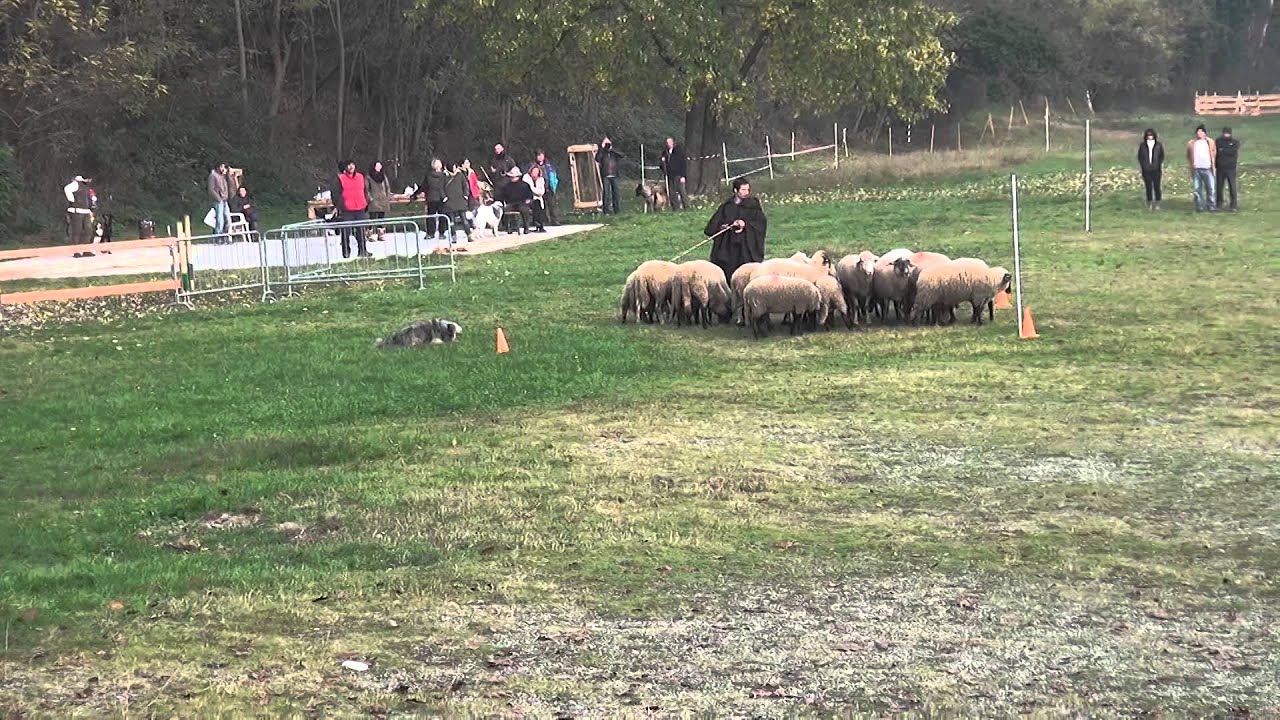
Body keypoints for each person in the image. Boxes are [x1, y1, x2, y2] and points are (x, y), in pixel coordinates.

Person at [704, 177, 766, 281]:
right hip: (729, 247)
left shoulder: (753, 205)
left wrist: (745, 224)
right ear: (735, 190)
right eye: (743, 190)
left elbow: (760, 223)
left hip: (745, 247)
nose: (746, 192)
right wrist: (723, 227)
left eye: (747, 190)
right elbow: (712, 226)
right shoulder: (726, 207)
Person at [330, 159, 371, 258]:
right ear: (345, 168)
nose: (351, 167)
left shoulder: (360, 177)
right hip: (347, 209)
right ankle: (346, 252)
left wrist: (365, 202)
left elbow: (365, 190)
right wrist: (340, 205)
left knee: (361, 231)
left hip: (360, 208)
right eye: (348, 165)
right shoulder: (341, 179)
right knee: (346, 232)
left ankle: (362, 251)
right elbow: (335, 193)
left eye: (352, 164)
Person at [1186, 124, 1217, 213]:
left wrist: (1212, 163)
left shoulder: (1210, 142)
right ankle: (1199, 206)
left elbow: (1214, 152)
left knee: (1211, 188)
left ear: (1205, 133)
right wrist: (1192, 164)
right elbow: (1188, 155)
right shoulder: (1192, 143)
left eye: (1201, 131)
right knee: (1197, 189)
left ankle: (1211, 206)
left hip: (1207, 168)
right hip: (1196, 169)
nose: (1199, 133)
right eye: (1198, 132)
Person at [496, 166, 534, 234]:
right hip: (511, 203)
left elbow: (530, 195)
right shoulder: (507, 186)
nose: (512, 178)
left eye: (514, 176)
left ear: (518, 176)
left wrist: (528, 200)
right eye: (511, 176)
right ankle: (509, 227)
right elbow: (502, 196)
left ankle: (526, 227)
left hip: (522, 203)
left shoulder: (525, 185)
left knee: (524, 210)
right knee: (504, 210)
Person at [63, 174, 96, 255]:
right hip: (76, 211)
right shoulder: (76, 184)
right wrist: (72, 199)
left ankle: (86, 250)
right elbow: (66, 189)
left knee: (89, 230)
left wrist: (91, 209)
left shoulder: (86, 186)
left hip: (86, 211)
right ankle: (76, 251)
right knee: (77, 231)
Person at [417, 158, 449, 239]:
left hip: (438, 197)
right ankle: (434, 233)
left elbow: (424, 186)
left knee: (438, 216)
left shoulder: (443, 175)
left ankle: (436, 233)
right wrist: (416, 193)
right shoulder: (437, 175)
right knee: (434, 216)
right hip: (435, 197)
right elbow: (424, 186)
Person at [443, 162, 471, 242]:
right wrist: (444, 197)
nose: (454, 169)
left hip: (460, 200)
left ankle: (468, 234)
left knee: (464, 219)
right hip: (450, 201)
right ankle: (453, 236)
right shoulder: (445, 176)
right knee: (452, 221)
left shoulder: (460, 175)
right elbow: (441, 187)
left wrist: (465, 195)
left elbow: (465, 185)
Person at [1137, 128, 1165, 211]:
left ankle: (1157, 203)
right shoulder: (1142, 145)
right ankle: (1149, 203)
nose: (1150, 137)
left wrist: (1157, 164)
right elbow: (1140, 157)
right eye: (1148, 135)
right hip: (1146, 170)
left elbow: (1161, 156)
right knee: (1148, 187)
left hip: (1156, 169)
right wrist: (1144, 165)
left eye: (1151, 135)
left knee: (1157, 186)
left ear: (1154, 135)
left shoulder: (1158, 145)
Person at [659, 137, 689, 211]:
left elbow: (683, 164)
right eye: (667, 143)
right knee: (672, 193)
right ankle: (675, 208)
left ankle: (687, 207)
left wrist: (683, 176)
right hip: (670, 175)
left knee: (682, 191)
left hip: (678, 174)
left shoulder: (679, 151)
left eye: (669, 142)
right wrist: (662, 162)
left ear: (673, 143)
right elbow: (662, 165)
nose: (668, 144)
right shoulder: (665, 153)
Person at [595, 137, 623, 214]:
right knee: (606, 193)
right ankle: (606, 210)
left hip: (615, 174)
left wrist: (612, 149)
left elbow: (621, 155)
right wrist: (602, 148)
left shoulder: (614, 152)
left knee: (616, 193)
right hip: (605, 175)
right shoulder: (602, 152)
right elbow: (597, 159)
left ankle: (617, 210)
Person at [531, 150, 560, 225]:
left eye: (541, 155)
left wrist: (553, 185)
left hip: (549, 187)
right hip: (539, 188)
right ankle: (543, 221)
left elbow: (553, 175)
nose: (540, 157)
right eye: (538, 155)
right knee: (541, 206)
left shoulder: (549, 165)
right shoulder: (533, 166)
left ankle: (555, 220)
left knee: (552, 205)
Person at [1215, 126, 1240, 212]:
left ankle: (1233, 205)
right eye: (1225, 133)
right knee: (1219, 187)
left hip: (1231, 168)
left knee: (1232, 187)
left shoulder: (1235, 142)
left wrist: (1223, 150)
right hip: (1220, 168)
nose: (1226, 135)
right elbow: (1217, 153)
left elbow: (1233, 152)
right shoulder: (1218, 141)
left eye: (1228, 133)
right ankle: (1219, 204)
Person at [366, 160, 392, 240]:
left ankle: (380, 233)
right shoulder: (368, 177)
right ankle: (370, 233)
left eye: (380, 166)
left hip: (382, 200)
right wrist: (370, 198)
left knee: (381, 217)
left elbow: (387, 187)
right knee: (372, 217)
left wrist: (387, 197)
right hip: (373, 200)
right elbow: (366, 189)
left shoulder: (383, 176)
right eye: (377, 166)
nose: (378, 167)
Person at [208, 162, 230, 243]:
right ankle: (218, 237)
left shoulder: (223, 176)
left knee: (228, 219)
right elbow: (211, 189)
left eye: (224, 167)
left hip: (225, 200)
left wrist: (226, 175)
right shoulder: (213, 176)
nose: (223, 169)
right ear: (218, 167)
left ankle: (225, 236)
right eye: (221, 167)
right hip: (218, 200)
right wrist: (218, 199)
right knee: (220, 220)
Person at [524, 165, 549, 232]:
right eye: (533, 171)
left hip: (537, 199)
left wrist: (532, 189)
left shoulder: (541, 179)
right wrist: (535, 190)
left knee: (537, 204)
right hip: (526, 198)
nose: (534, 173)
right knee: (535, 203)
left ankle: (539, 224)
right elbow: (526, 189)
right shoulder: (526, 178)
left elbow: (541, 192)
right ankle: (537, 224)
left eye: (536, 172)